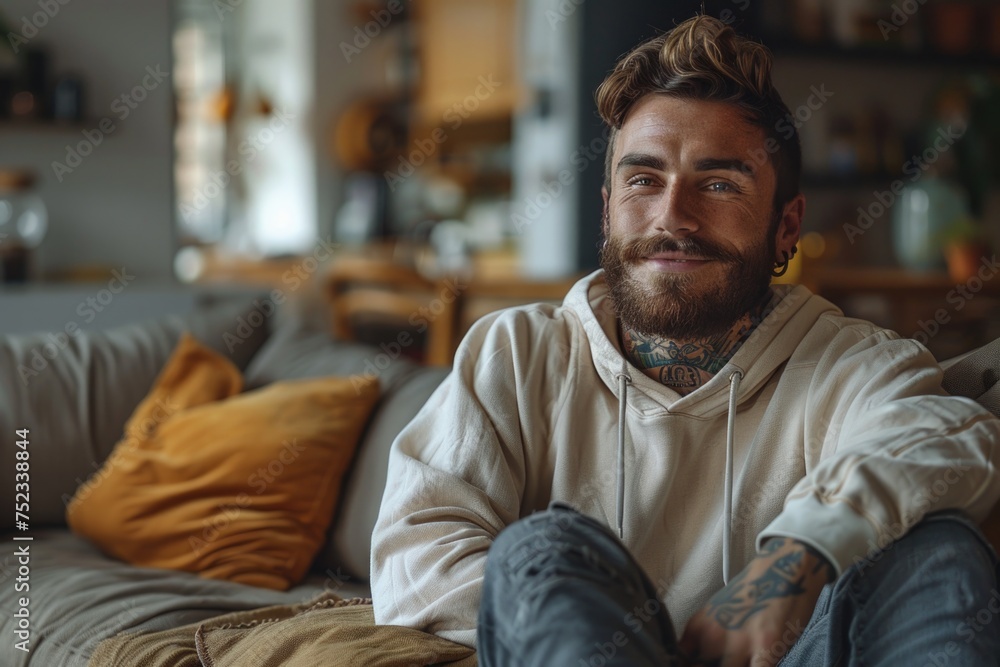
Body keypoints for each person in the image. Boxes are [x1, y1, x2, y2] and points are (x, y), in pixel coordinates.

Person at [370, 15, 1000, 666]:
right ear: (608, 208)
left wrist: (793, 558)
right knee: (542, 548)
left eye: (720, 183)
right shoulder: (519, 353)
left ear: (787, 226)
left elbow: (953, 436)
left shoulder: (846, 361)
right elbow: (417, 555)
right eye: (645, 180)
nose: (673, 216)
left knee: (936, 548)